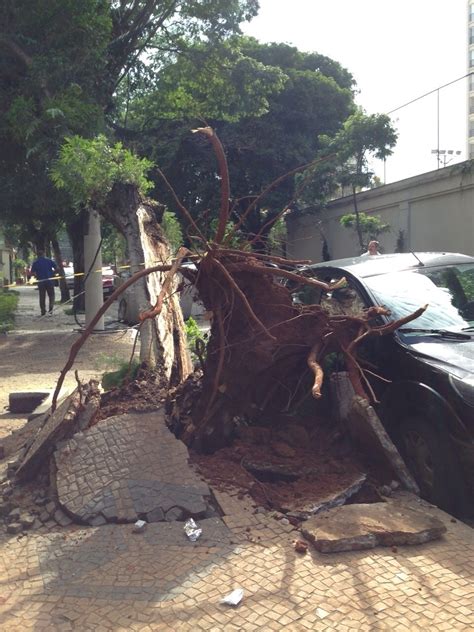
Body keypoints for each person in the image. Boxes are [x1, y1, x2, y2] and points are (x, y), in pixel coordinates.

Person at [30, 250, 58, 316]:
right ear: (44, 254)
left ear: (37, 255)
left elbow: (32, 272)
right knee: (51, 295)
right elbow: (57, 268)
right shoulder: (49, 261)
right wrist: (52, 273)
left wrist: (36, 275)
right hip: (50, 281)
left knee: (42, 296)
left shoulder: (35, 263)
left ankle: (43, 311)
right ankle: (51, 310)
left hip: (41, 282)